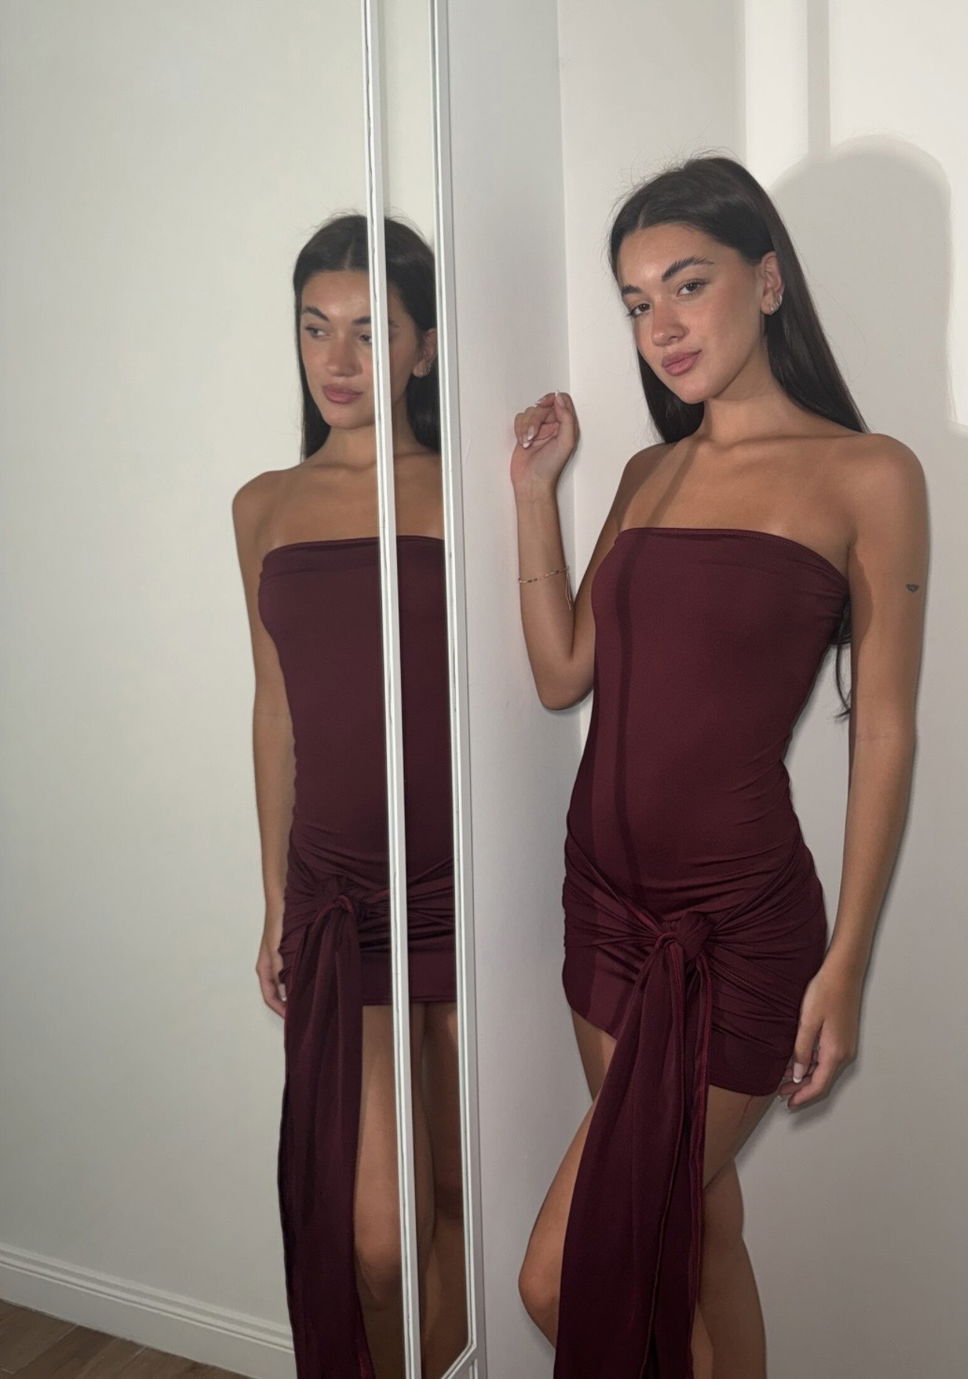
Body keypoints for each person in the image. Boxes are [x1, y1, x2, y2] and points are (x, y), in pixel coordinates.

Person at [510, 155, 928, 1378]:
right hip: (604, 909)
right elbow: (563, 669)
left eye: (688, 285)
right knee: (699, 1234)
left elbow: (885, 728)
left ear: (769, 279)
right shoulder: (648, 473)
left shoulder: (869, 473)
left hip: (738, 931)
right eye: (637, 302)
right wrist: (533, 495)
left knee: (559, 1275)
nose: (662, 327)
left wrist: (847, 962)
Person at [232, 214, 465, 1379]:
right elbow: (274, 709)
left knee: (470, 1198)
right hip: (338, 900)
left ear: (423, 347)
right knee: (379, 1237)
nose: (338, 358)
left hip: (466, 889)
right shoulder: (263, 505)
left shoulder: (465, 491)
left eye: (371, 331)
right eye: (316, 327)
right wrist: (276, 898)